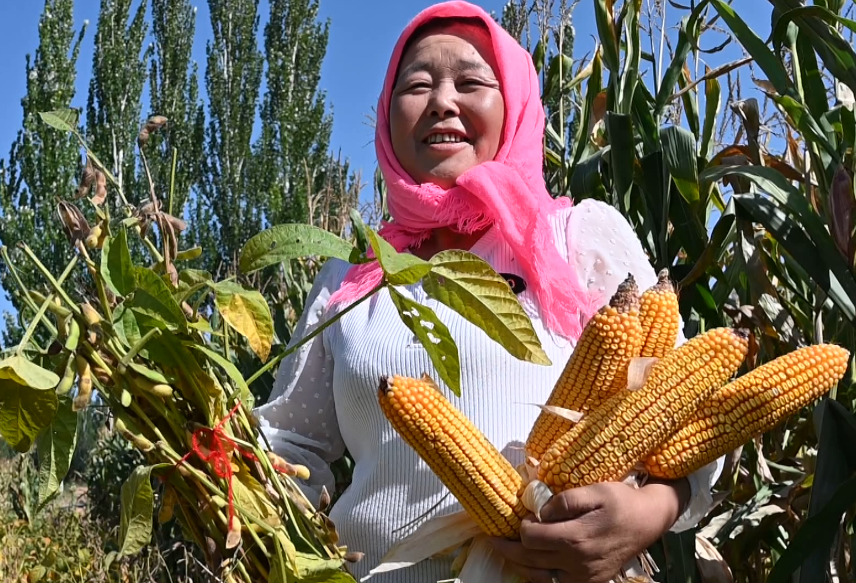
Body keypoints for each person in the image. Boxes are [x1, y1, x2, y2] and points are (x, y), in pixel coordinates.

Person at [253, 2, 722, 582]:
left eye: (472, 81)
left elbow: (691, 412)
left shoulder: (578, 240)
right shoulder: (347, 284)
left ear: (515, 105)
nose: (442, 101)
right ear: (385, 117)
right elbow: (292, 445)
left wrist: (650, 511)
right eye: (417, 84)